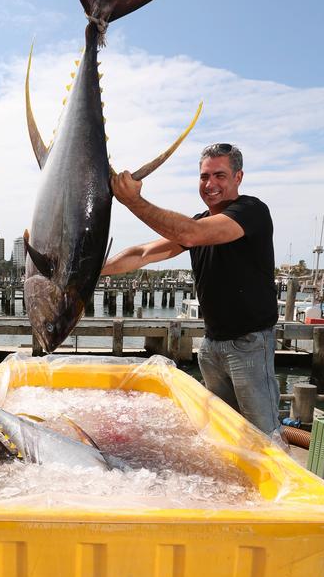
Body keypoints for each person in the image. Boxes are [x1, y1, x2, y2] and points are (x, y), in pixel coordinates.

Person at [102, 143, 280, 435]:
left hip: (249, 344)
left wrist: (133, 201)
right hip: (211, 346)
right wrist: (89, 270)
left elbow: (191, 234)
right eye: (204, 176)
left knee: (264, 434)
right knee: (224, 433)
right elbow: (143, 253)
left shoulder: (252, 212)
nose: (210, 184)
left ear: (238, 177)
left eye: (220, 175)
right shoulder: (198, 223)